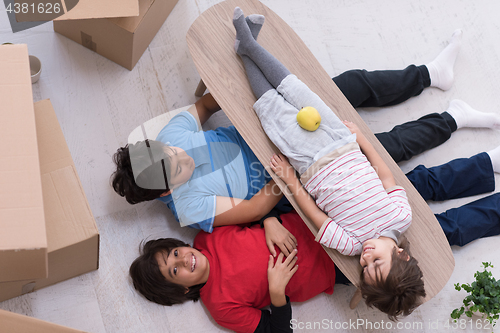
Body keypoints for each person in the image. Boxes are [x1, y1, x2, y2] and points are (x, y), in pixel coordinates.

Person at [111, 13, 500, 236]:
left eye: (172, 151)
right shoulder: (188, 206)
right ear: (164, 195)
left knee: (347, 85)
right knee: (387, 147)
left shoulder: (168, 138)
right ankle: (455, 118)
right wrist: (281, 169)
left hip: (269, 126)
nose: (181, 155)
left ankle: (430, 73)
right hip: (291, 170)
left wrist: (244, 91)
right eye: (176, 169)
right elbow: (251, 211)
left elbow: (205, 105)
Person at [129, 146, 500, 332]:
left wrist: (269, 222)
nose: (183, 259)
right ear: (181, 290)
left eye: (174, 253)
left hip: (326, 216)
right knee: (443, 232)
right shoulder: (221, 307)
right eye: (175, 271)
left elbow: (259, 210)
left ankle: (487, 165)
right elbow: (278, 330)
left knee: (416, 185)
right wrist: (277, 293)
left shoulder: (206, 237)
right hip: (343, 263)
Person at [232, 6, 425, 317]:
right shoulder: (401, 217)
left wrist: (289, 178)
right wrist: (361, 138)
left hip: (310, 162)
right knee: (295, 88)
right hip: (342, 141)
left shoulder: (350, 245)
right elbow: (385, 175)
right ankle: (249, 45)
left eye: (364, 269)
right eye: (377, 261)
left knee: (271, 109)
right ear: (400, 254)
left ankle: (246, 48)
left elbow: (313, 212)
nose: (366, 258)